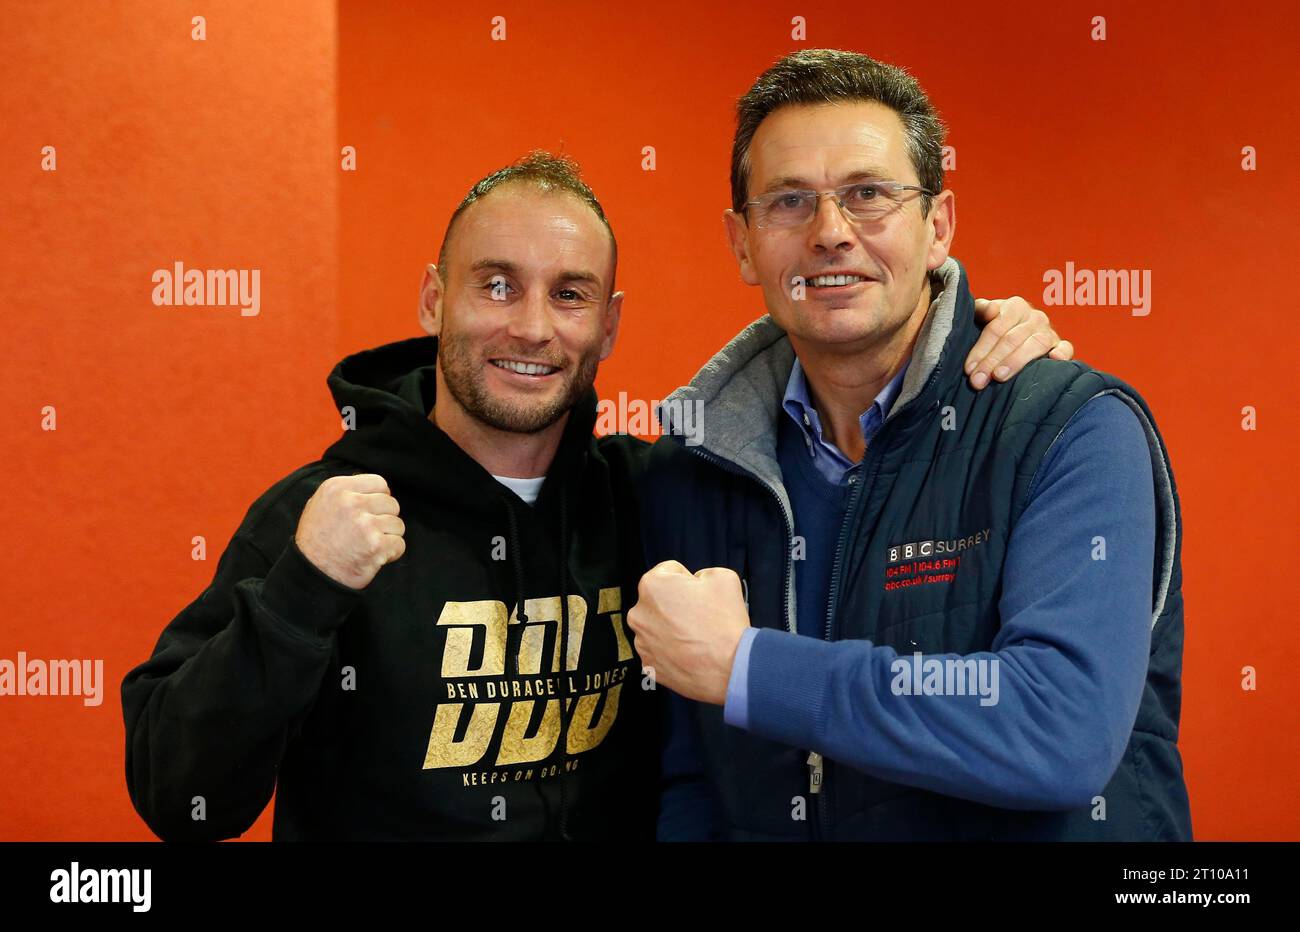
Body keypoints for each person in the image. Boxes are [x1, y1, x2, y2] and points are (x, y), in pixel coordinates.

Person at [121, 149, 1070, 841]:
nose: (532, 327)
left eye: (570, 296)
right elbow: (180, 797)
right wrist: (301, 593)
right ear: (431, 300)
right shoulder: (321, 515)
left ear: (608, 327)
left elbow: (834, 380)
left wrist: (967, 334)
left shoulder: (655, 499)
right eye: (496, 286)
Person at [628, 49, 1192, 841]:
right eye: (790, 201)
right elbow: (693, 778)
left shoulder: (1070, 427)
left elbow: (1058, 730)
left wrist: (750, 667)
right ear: (743, 242)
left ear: (939, 227)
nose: (830, 233)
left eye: (869, 195)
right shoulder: (690, 469)